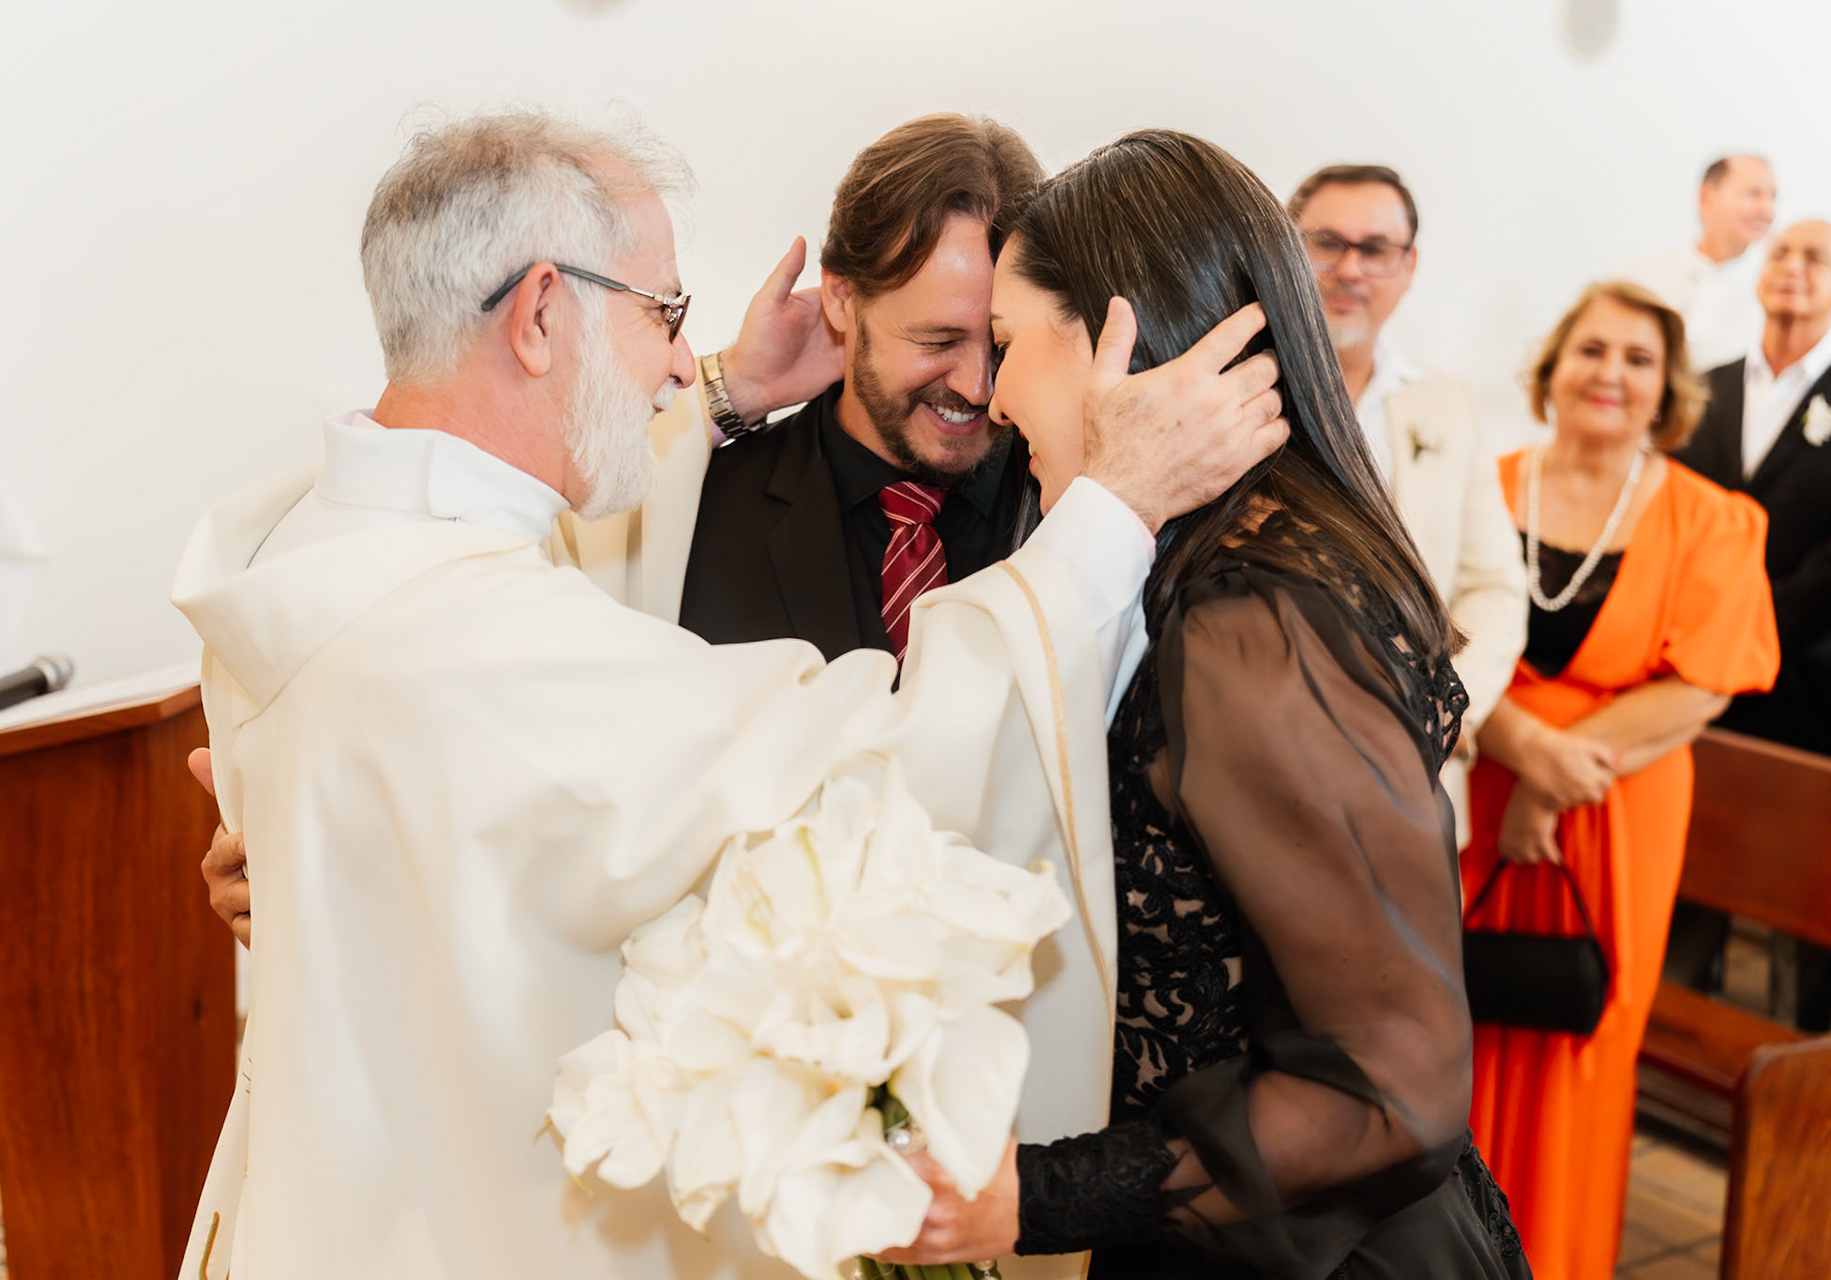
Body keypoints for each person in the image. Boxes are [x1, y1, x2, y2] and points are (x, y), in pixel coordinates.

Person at [168, 109, 1286, 1280]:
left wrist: (723, 393)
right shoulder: (474, 639)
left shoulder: (313, 544)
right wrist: (1112, 512)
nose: (673, 363)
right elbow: (889, 776)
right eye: (665, 315)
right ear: (543, 312)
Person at [884, 129, 1530, 1280]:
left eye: (1007, 343)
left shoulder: (1256, 616)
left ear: (1115, 343)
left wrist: (1030, 1197)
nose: (987, 391)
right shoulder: (1207, 557)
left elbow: (1391, 1088)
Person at [1461, 281, 1778, 1280]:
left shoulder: (1714, 519)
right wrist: (1519, 745)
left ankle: (1552, 1256)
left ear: (1667, 388)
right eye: (1592, 349)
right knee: (1452, 1022)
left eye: (1638, 359)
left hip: (1615, 811)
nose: (1611, 373)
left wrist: (1552, 779)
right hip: (1478, 788)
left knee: (1580, 1049)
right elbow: (1430, 635)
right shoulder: (1486, 487)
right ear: (1553, 367)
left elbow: (1702, 683)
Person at [681, 114, 1043, 663]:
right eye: (937, 341)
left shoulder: (1076, 507)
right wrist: (738, 385)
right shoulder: (697, 512)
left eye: (1001, 344)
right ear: (842, 296)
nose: (978, 388)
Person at [1287, 164, 1525, 843]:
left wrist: (1449, 716)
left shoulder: (1446, 405)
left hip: (1416, 770)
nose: (1350, 270)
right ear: (1285, 248)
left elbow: (1493, 587)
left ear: (1408, 264)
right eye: (1325, 242)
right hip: (1272, 759)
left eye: (1376, 249)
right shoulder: (1240, 388)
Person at [1672, 218, 1831, 1029]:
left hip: (1806, 684)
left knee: (1808, 894)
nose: (1794, 269)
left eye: (1816, 258)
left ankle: (1806, 1073)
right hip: (1697, 672)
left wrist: (1745, 630)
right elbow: (1673, 522)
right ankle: (1675, 1023)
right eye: (1782, 254)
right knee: (1694, 869)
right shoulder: (1706, 387)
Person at [1620, 154, 1778, 372]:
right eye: (1752, 194)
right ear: (1706, 197)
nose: (1767, 211)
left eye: (1772, 198)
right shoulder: (1639, 277)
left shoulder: (1776, 289)